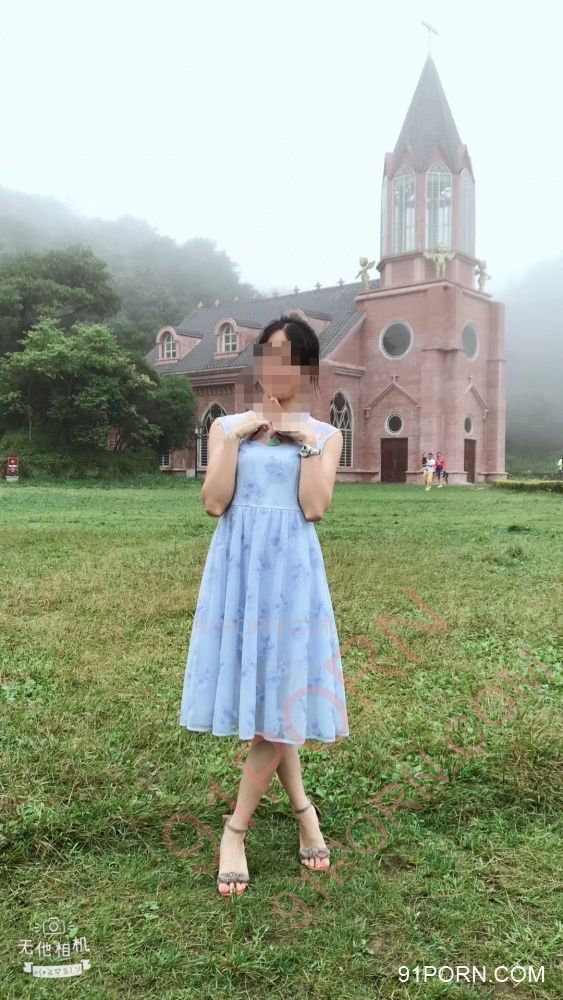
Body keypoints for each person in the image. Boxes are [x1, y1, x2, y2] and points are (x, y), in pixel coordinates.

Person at [179, 313, 348, 897]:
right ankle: (304, 814)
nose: (277, 366)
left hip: (293, 574)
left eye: (290, 356)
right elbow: (214, 501)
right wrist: (236, 437)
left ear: (308, 369)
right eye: (268, 353)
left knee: (283, 697)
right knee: (274, 705)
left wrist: (302, 442)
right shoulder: (227, 425)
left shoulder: (325, 435)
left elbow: (315, 507)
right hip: (240, 569)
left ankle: (236, 829)